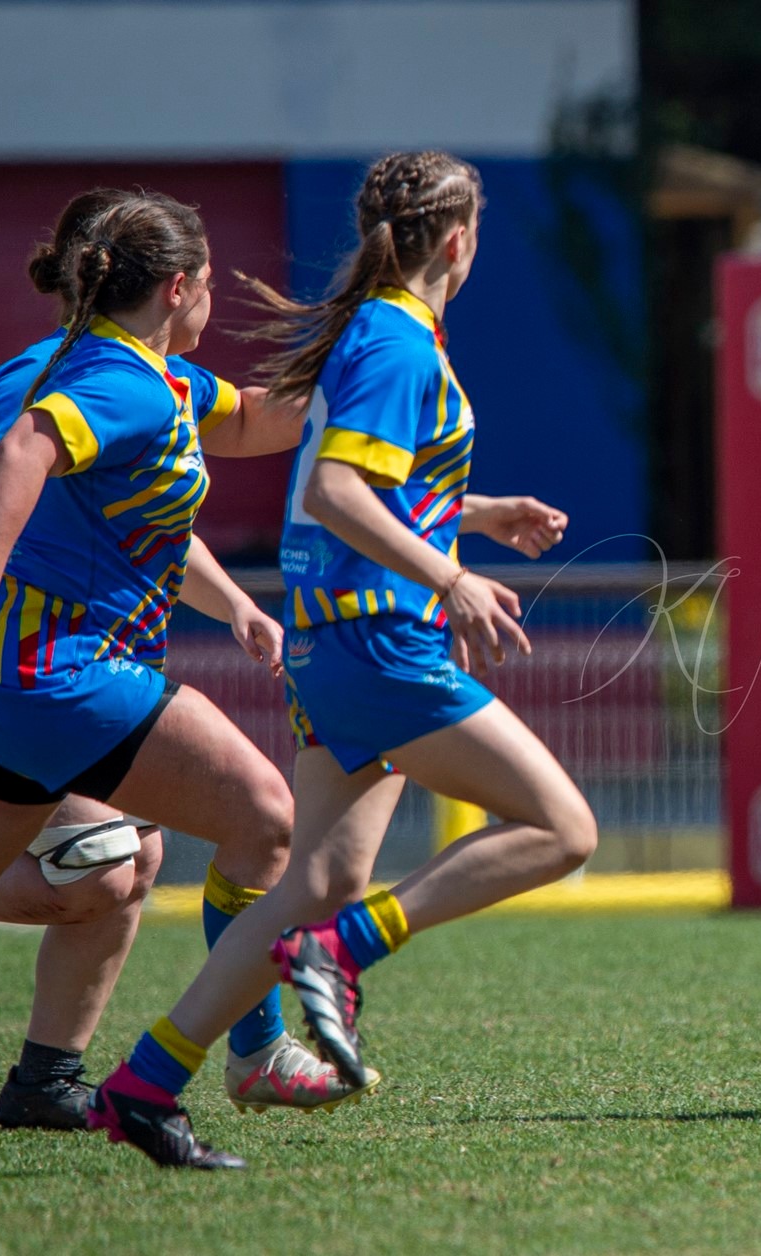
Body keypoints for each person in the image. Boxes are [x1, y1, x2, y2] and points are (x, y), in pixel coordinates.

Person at [0, 192, 354, 1168]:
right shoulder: (108, 379)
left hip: (24, 683)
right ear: (179, 287)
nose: (216, 303)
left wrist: (359, 360)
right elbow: (3, 465)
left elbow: (253, 422)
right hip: (57, 673)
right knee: (263, 817)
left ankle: (45, 1078)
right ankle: (255, 1048)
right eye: (211, 284)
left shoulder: (161, 379)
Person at [89, 151, 594, 1170]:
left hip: (337, 644)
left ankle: (145, 1079)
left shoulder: (379, 330)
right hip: (379, 642)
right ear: (460, 240)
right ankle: (343, 951)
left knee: (318, 876)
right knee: (563, 828)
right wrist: (452, 578)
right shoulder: (397, 340)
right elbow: (334, 491)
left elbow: (371, 487)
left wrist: (475, 514)